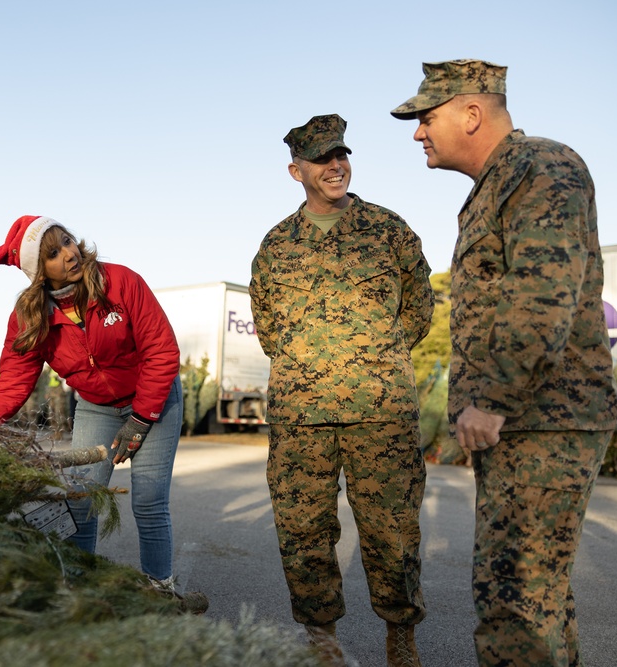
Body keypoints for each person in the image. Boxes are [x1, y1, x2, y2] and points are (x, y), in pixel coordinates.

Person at [390, 59, 617, 666]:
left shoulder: (540, 167)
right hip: (527, 420)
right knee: (535, 596)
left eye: (427, 116)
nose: (418, 132)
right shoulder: (496, 184)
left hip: (544, 416)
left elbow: (542, 293)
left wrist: (490, 400)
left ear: (472, 113)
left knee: (514, 600)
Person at [249, 114, 434, 666]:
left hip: (381, 411)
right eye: (323, 159)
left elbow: (419, 308)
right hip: (301, 414)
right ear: (295, 170)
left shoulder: (389, 229)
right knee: (303, 529)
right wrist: (311, 366)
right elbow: (268, 326)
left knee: (392, 530)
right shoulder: (276, 245)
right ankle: (322, 641)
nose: (336, 165)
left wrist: (374, 361)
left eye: (341, 155)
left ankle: (401, 638)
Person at [0, 215, 195, 603]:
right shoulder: (30, 316)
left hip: (153, 399)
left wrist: (140, 420)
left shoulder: (120, 281)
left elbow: (161, 352)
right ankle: (79, 588)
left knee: (149, 500)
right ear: (39, 272)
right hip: (97, 407)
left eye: (68, 241)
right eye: (53, 253)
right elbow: (11, 386)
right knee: (82, 499)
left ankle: (160, 590)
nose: (70, 253)